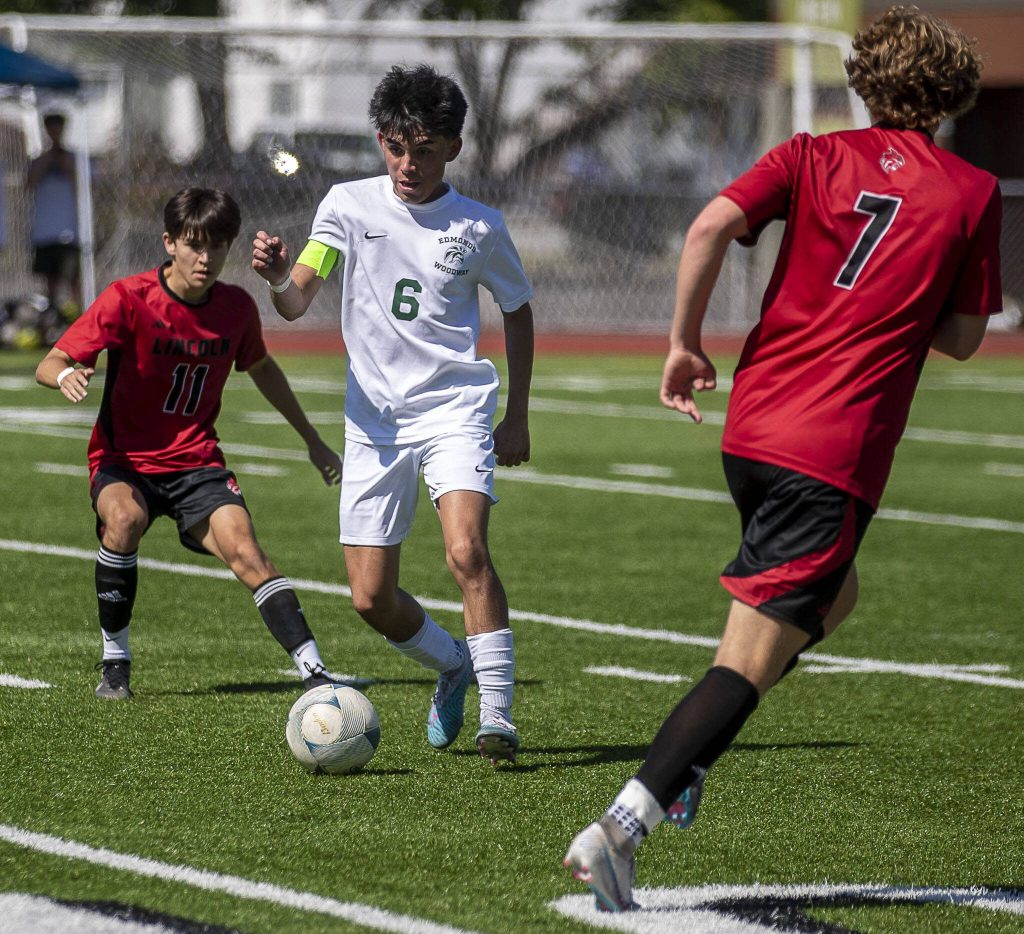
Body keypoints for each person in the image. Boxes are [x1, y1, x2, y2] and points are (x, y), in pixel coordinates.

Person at [564, 4, 1002, 912]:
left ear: (867, 81)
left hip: (753, 428)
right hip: (833, 449)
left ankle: (692, 754)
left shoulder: (808, 154)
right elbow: (963, 337)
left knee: (833, 600)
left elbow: (705, 230)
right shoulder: (970, 190)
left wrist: (683, 344)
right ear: (949, 94)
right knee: (749, 661)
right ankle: (623, 824)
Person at [251, 64, 535, 765]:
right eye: (397, 146)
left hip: (455, 411)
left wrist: (517, 414)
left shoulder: (480, 226)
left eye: (427, 149)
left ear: (455, 150)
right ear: (382, 141)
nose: (409, 164)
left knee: (467, 551)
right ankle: (452, 666)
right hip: (374, 424)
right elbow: (298, 298)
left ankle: (498, 718)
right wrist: (278, 279)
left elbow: (519, 309)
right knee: (370, 597)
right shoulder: (346, 206)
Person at [35, 187, 345, 701]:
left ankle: (316, 673)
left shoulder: (236, 308)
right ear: (170, 243)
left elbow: (263, 369)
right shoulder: (128, 299)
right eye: (195, 244)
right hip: (123, 461)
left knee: (247, 550)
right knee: (124, 520)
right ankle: (115, 661)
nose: (206, 258)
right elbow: (52, 361)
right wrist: (66, 373)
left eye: (218, 246)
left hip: (197, 463)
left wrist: (312, 441)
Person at [27, 113, 81, 315]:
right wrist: (49, 158)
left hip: (69, 230)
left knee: (73, 278)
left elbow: (85, 185)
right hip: (45, 229)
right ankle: (52, 318)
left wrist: (67, 166)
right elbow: (30, 182)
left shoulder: (74, 158)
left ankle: (78, 316)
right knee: (50, 280)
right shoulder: (39, 159)